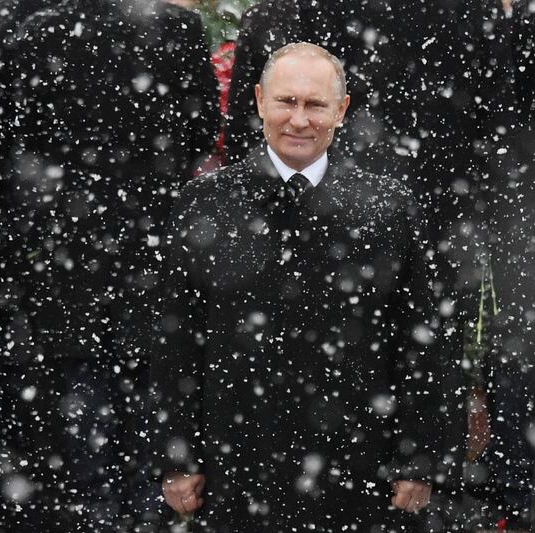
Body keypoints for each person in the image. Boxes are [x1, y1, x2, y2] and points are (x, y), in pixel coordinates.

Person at [150, 42, 442, 531]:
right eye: (287, 102)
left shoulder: (387, 207)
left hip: (356, 461)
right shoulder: (206, 202)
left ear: (342, 110)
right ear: (261, 100)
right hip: (238, 460)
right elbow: (176, 338)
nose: (299, 120)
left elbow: (420, 339)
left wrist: (416, 458)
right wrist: (177, 454)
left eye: (315, 104)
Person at [10, 0, 218, 528]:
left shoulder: (43, 29)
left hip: (74, 233)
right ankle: (146, 501)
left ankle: (95, 503)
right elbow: (199, 131)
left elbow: (27, 135)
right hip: (152, 224)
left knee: (85, 374)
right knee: (147, 368)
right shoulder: (177, 26)